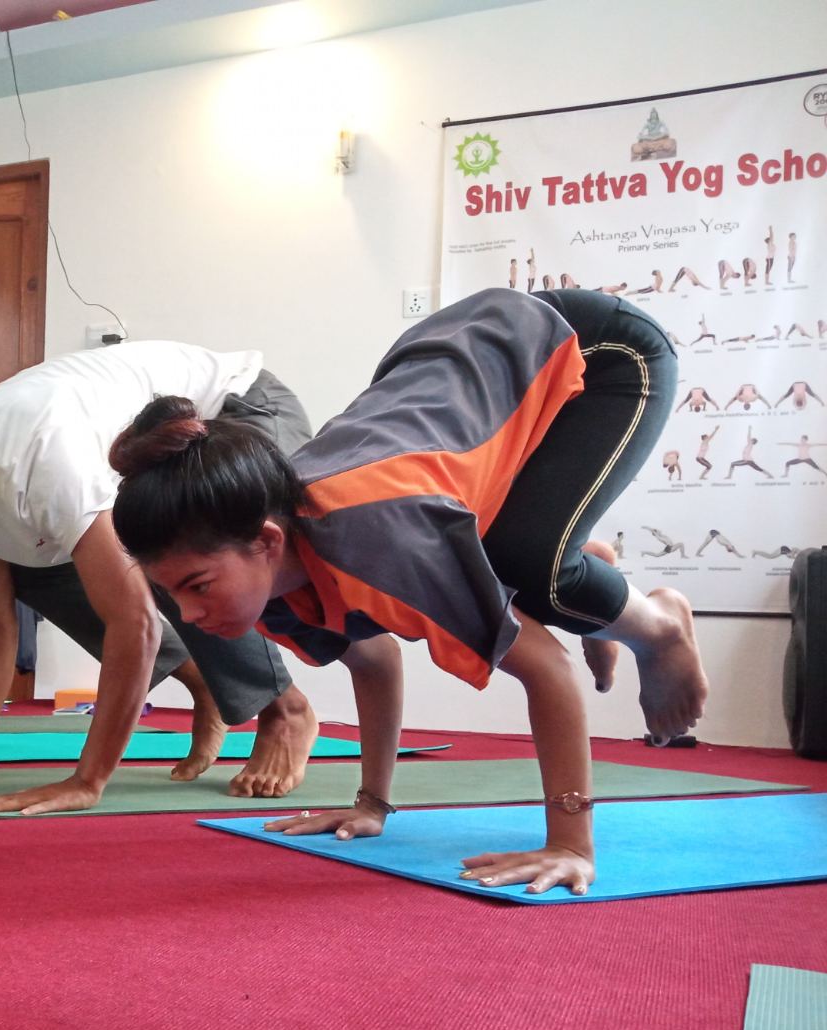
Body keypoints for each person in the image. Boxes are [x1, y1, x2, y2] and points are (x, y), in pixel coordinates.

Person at [108, 288, 707, 895]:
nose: (189, 613)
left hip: (592, 345)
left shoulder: (378, 533)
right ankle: (577, 567)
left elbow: (546, 665)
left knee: (535, 566)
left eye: (198, 586)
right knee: (529, 557)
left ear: (266, 543)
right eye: (171, 594)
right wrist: (371, 805)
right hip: (463, 369)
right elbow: (373, 658)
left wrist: (569, 845)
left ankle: (658, 625)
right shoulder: (272, 581)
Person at [0, 344, 368, 815]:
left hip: (238, 406)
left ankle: (285, 711)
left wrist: (87, 781)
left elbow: (134, 621)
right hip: (139, 456)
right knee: (43, 573)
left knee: (219, 550)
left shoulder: (38, 455)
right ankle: (206, 685)